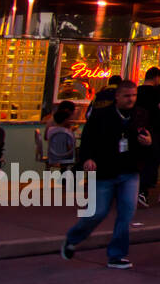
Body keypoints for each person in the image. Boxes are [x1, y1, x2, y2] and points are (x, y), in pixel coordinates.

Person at [61, 80, 152, 269]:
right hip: (105, 171)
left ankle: (117, 255)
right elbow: (88, 139)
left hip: (130, 170)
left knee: (126, 213)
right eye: (127, 96)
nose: (131, 99)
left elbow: (146, 137)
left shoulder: (140, 115)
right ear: (117, 96)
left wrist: (148, 142)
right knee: (97, 212)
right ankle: (73, 238)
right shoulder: (101, 116)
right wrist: (87, 158)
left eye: (134, 95)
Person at [135, 67, 160, 206]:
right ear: (156, 77)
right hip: (154, 130)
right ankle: (142, 191)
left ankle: (133, 189)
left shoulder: (137, 91)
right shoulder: (157, 91)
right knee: (152, 160)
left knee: (139, 160)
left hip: (137, 130)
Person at [44, 101, 78, 171]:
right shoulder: (66, 131)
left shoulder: (51, 126)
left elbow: (46, 137)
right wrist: (70, 131)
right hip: (65, 155)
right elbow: (70, 146)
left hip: (52, 154)